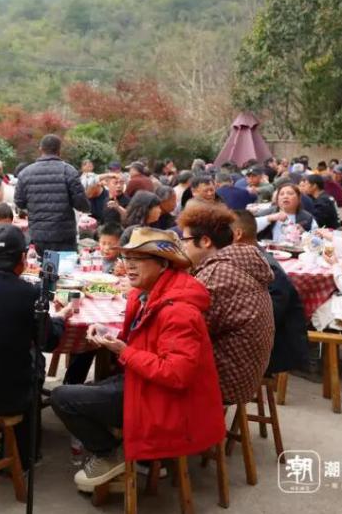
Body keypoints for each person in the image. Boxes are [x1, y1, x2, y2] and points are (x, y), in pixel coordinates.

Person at [49, 227, 224, 492]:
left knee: (63, 398)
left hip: (164, 401)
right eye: (127, 258)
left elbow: (176, 375)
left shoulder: (178, 310)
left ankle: (111, 453)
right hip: (144, 383)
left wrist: (124, 351)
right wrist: (111, 334)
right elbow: (144, 340)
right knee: (80, 391)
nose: (128, 265)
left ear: (163, 264)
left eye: (138, 259)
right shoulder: (148, 294)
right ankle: (120, 451)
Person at [0, 225, 73, 467]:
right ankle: (26, 455)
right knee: (35, 363)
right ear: (22, 259)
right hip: (9, 396)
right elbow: (48, 341)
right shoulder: (29, 293)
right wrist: (61, 318)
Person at [178, 202, 274, 405]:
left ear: (205, 241)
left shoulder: (216, 275)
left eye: (184, 240)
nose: (182, 246)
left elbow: (182, 331)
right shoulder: (238, 261)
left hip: (222, 382)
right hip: (245, 376)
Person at [231, 211, 309, 376]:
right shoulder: (254, 258)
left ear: (237, 234)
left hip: (271, 350)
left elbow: (264, 318)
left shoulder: (266, 267)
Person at [14, 134, 89, 254]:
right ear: (59, 150)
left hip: (38, 233)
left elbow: (19, 202)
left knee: (40, 264)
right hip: (64, 233)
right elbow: (81, 204)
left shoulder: (25, 173)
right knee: (65, 265)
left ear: (40, 149)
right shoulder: (69, 171)